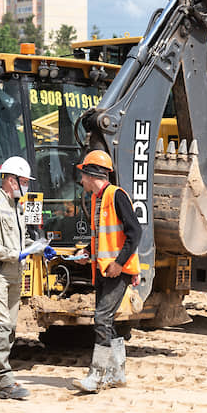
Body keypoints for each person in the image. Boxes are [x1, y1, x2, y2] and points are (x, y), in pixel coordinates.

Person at [0, 155, 55, 400]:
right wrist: (13, 254)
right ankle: (5, 383)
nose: (26, 185)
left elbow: (22, 240)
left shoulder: (16, 207)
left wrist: (38, 247)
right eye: (23, 181)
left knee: (8, 329)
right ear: (10, 180)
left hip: (13, 276)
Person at [73, 150, 141, 393]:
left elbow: (135, 233)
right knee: (107, 321)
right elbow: (102, 238)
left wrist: (120, 263)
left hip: (116, 271)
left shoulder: (116, 196)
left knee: (101, 319)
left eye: (83, 175)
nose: (81, 180)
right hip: (103, 270)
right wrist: (87, 254)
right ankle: (117, 373)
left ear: (92, 174)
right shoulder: (97, 199)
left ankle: (96, 376)